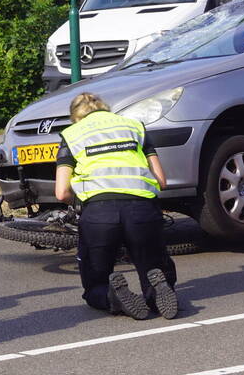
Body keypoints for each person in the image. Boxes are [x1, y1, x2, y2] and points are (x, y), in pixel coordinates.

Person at [54, 92, 179, 320]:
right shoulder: (135, 127)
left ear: (75, 117)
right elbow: (161, 180)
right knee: (154, 267)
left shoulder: (72, 135)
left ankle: (112, 296)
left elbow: (61, 192)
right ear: (106, 109)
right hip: (142, 210)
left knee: (95, 283)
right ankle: (158, 291)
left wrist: (80, 201)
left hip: (99, 215)